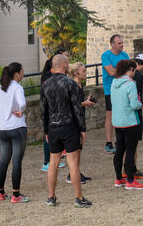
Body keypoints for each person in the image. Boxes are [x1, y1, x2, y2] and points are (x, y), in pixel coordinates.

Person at [40, 54, 92, 208]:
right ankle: (79, 198)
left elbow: (43, 110)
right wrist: (82, 129)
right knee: (73, 163)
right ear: (63, 66)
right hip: (69, 126)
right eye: (68, 64)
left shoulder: (45, 85)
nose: (69, 66)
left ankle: (51, 197)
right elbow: (77, 108)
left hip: (53, 126)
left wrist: (46, 131)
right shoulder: (71, 84)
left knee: (53, 163)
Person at [0, 62, 30, 203]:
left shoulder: (2, 87)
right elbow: (23, 103)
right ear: (17, 74)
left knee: (3, 161)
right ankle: (16, 195)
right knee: (16, 161)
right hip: (17, 128)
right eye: (22, 71)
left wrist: (0, 108)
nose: (24, 73)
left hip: (3, 129)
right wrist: (21, 111)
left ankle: (1, 193)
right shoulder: (17, 88)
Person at [111, 59, 143, 190]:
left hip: (117, 122)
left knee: (119, 151)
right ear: (130, 70)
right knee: (130, 151)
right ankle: (131, 180)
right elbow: (134, 104)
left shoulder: (114, 83)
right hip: (130, 122)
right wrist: (140, 105)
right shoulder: (131, 84)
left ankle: (119, 178)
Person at [66, 62, 96, 185]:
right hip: (74, 121)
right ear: (76, 73)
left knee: (79, 148)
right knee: (76, 149)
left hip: (79, 119)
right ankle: (72, 174)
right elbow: (71, 105)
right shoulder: (73, 86)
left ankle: (76, 172)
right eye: (83, 71)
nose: (86, 73)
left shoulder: (78, 85)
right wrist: (85, 103)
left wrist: (85, 101)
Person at [40, 48, 68, 172]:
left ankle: (53, 160)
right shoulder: (48, 77)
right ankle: (47, 161)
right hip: (53, 116)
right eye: (65, 58)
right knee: (48, 138)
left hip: (57, 116)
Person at [101, 34, 129, 154]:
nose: (122, 45)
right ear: (112, 44)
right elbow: (111, 72)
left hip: (124, 88)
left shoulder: (125, 55)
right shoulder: (106, 55)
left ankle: (120, 141)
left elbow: (130, 70)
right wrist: (123, 70)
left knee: (122, 113)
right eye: (119, 43)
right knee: (110, 115)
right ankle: (108, 143)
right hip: (110, 89)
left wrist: (117, 70)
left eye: (122, 43)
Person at [131, 54, 143, 179]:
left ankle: (127, 167)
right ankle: (132, 167)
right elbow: (137, 94)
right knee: (134, 141)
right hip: (135, 111)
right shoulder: (138, 76)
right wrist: (139, 105)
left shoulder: (126, 74)